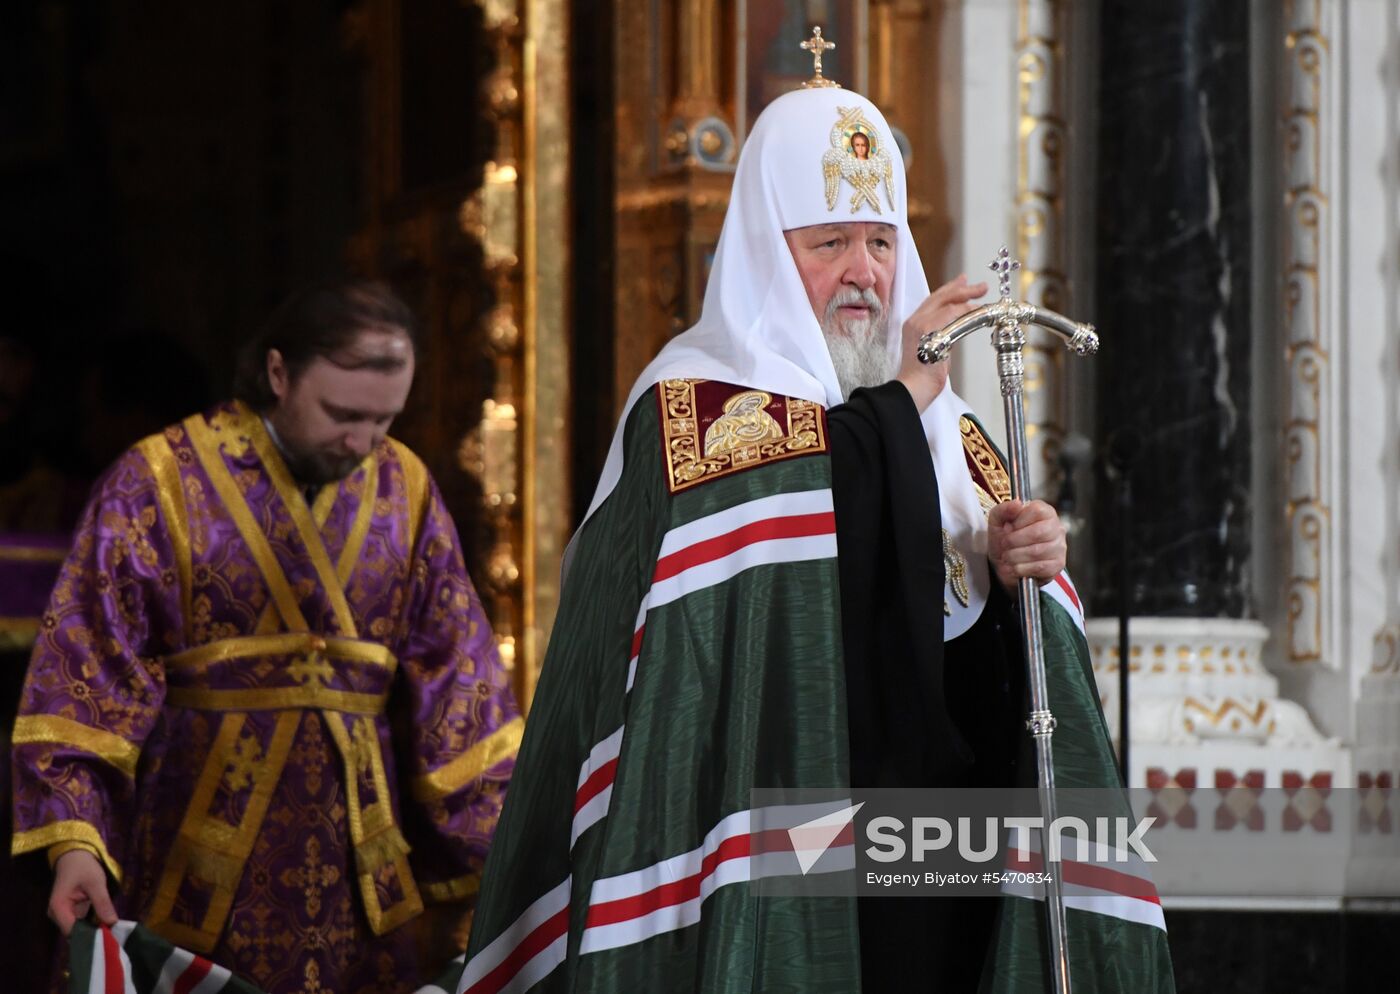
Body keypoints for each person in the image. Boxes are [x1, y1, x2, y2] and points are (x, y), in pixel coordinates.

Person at [453, 87, 1174, 993]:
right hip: (776, 841)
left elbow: (1002, 660)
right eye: (828, 244)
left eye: (881, 242)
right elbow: (792, 522)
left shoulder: (952, 434)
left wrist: (1023, 566)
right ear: (765, 250)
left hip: (939, 860)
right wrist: (899, 406)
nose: (865, 273)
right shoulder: (694, 407)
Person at [10, 281, 522, 994]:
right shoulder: (157, 481)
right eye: (343, 414)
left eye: (383, 420)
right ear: (279, 374)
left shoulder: (406, 487)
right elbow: (86, 674)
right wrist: (76, 842)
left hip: (359, 889)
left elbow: (459, 687)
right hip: (188, 876)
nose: (362, 443)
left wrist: (517, 852)